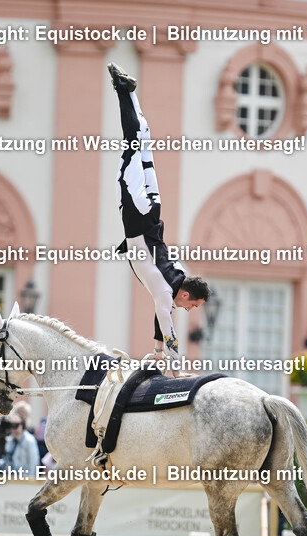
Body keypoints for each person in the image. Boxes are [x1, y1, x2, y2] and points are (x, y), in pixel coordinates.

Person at [108, 63, 210, 376]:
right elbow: (169, 330)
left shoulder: (176, 276)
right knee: (132, 145)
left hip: (153, 210)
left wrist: (155, 351)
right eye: (193, 305)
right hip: (138, 212)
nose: (190, 309)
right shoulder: (168, 293)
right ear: (185, 294)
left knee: (143, 144)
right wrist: (177, 370)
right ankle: (122, 90)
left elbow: (160, 308)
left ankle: (130, 93)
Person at [4, 412, 40, 476]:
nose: (13, 428)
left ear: (22, 425)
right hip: (11, 478)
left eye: (16, 425)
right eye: (11, 425)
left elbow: (34, 463)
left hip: (25, 480)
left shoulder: (29, 440)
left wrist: (30, 481)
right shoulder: (9, 440)